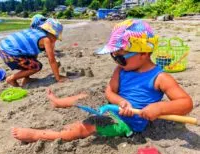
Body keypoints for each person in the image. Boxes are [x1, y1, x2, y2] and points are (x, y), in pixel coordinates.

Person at [11, 19, 193, 142]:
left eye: (120, 57)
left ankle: (39, 135)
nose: (116, 61)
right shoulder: (121, 69)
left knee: (86, 127)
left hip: (128, 122)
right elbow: (109, 92)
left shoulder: (160, 78)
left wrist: (159, 108)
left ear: (144, 53)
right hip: (113, 107)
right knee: (85, 95)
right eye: (113, 56)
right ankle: (59, 103)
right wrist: (121, 101)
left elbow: (186, 103)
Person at [0, 18, 66, 87]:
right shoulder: (46, 39)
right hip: (11, 54)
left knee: (32, 60)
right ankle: (11, 79)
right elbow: (51, 60)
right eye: (56, 37)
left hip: (4, 49)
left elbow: (33, 55)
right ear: (52, 34)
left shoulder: (35, 31)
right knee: (37, 66)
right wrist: (58, 77)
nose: (55, 40)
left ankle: (26, 79)